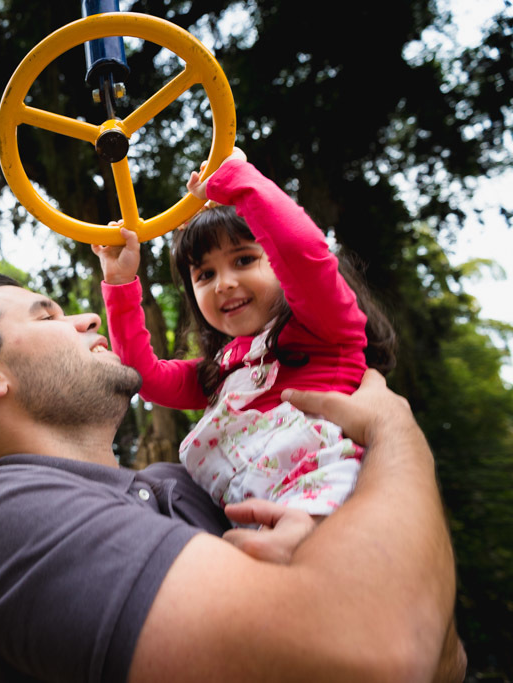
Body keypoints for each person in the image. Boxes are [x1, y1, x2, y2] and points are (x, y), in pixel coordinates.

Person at [0, 274, 464, 682]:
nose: (88, 318)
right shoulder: (1, 514)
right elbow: (384, 649)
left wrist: (330, 551)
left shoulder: (196, 484)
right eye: (47, 316)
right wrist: (395, 432)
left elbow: (443, 652)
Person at [93, 148, 396, 518]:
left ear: (277, 262)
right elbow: (143, 376)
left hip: (327, 499)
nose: (224, 284)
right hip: (252, 523)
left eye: (244, 260)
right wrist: (121, 282)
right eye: (205, 274)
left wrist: (237, 179)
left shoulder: (325, 326)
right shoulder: (220, 371)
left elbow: (301, 251)